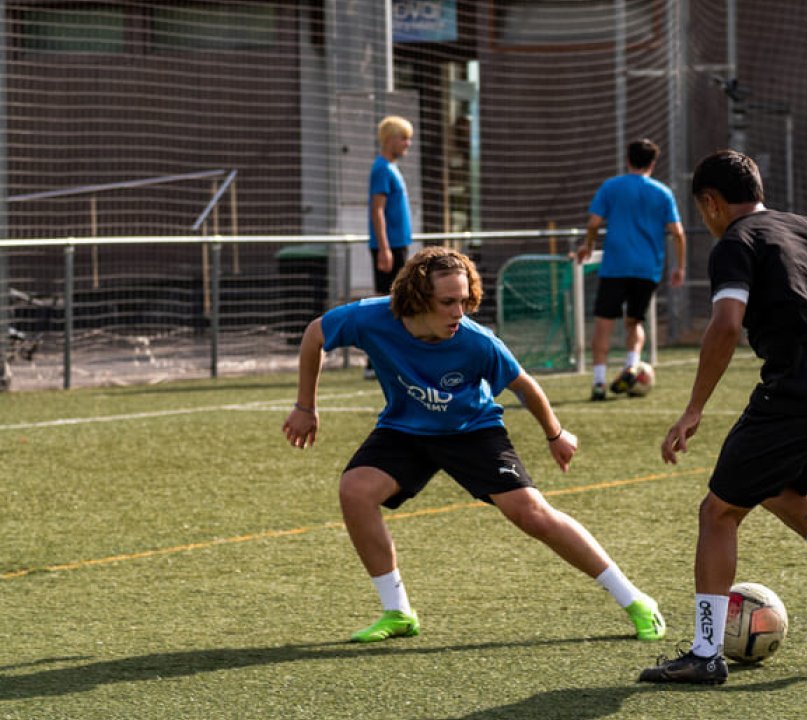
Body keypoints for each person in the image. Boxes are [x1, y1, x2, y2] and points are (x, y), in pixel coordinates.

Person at [282, 246, 665, 645]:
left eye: (465, 300)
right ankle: (397, 612)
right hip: (405, 431)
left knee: (532, 515)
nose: (459, 311)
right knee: (355, 491)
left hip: (473, 430)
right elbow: (316, 334)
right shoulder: (372, 317)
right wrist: (304, 406)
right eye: (448, 302)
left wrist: (555, 434)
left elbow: (524, 385)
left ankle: (635, 600)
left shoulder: (477, 342)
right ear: (418, 298)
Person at [638, 150, 807, 685]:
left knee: (717, 513)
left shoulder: (737, 242)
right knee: (771, 484)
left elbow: (726, 325)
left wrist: (693, 409)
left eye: (703, 210)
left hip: (797, 395)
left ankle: (705, 653)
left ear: (710, 203)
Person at [575, 139, 686, 401]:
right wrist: (679, 266)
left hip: (615, 266)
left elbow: (593, 223)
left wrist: (588, 246)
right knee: (634, 321)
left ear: (627, 160)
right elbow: (678, 234)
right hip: (647, 268)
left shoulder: (611, 187)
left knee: (603, 325)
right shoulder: (662, 192)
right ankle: (632, 366)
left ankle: (599, 383)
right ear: (653, 163)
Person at [365, 115, 415, 379]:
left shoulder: (391, 168)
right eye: (403, 138)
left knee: (397, 302)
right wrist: (384, 248)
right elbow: (377, 211)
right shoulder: (381, 168)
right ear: (390, 139)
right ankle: (375, 362)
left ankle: (386, 359)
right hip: (390, 246)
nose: (407, 144)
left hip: (398, 245)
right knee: (386, 303)